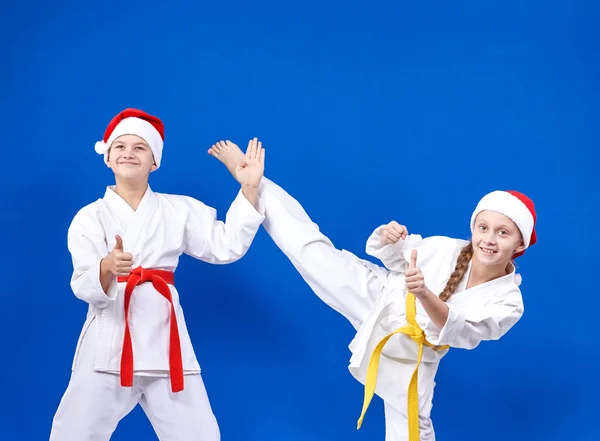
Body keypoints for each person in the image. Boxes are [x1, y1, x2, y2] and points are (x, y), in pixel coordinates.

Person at [208, 140, 537, 441]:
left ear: (519, 243)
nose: (489, 239)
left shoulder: (508, 302)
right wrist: (390, 238)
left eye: (503, 233)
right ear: (473, 228)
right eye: (483, 228)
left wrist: (424, 294)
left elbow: (459, 330)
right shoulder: (446, 249)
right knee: (308, 248)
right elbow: (397, 259)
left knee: (411, 432)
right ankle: (253, 181)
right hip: (379, 298)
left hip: (414, 356)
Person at [49, 109, 266, 441]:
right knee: (75, 432)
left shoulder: (178, 210)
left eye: (140, 148)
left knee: (200, 434)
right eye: (120, 147)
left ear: (155, 162)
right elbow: (82, 282)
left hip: (166, 343)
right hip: (108, 345)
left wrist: (249, 188)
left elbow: (226, 245)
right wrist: (106, 266)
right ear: (108, 158)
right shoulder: (90, 217)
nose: (128, 153)